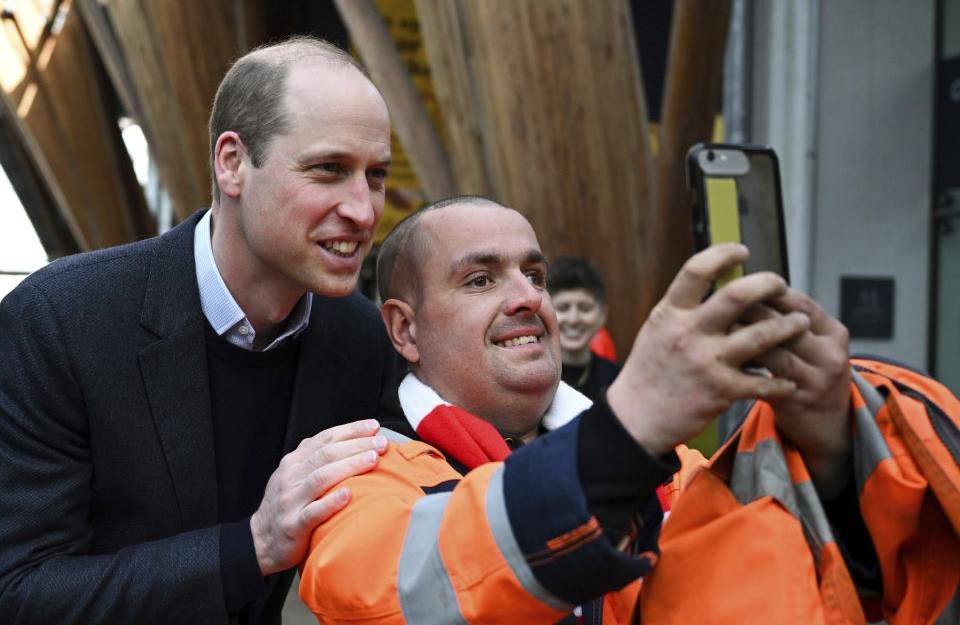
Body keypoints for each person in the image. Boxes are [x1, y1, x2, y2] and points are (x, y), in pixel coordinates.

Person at [299, 195, 911, 623]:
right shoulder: (355, 474)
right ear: (405, 331)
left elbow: (814, 584)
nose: (529, 300)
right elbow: (406, 593)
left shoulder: (667, 464)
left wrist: (830, 444)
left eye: (534, 275)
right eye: (481, 280)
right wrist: (625, 430)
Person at [0, 37, 401, 623]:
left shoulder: (362, 339)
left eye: (376, 176)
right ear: (232, 163)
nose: (364, 211)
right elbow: (19, 591)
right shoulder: (62, 320)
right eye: (328, 170)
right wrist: (252, 547)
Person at [547, 255, 621, 402]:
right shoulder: (532, 378)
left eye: (585, 308)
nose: (573, 319)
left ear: (602, 316)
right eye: (563, 308)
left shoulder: (619, 380)